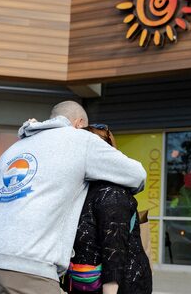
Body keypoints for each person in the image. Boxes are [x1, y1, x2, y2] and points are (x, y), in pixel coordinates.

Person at [0, 101, 147, 294]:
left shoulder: (15, 148)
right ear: (79, 123)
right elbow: (137, 175)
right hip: (26, 261)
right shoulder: (80, 139)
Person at [62, 124, 152, 294]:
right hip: (87, 283)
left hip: (121, 287)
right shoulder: (84, 190)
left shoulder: (111, 193)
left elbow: (114, 254)